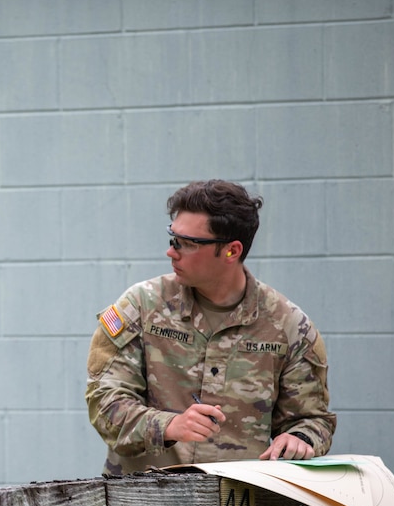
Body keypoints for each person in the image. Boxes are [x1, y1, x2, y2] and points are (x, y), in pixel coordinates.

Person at [86, 179, 336, 475]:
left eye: (187, 244)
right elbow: (104, 403)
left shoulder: (289, 326)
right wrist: (169, 426)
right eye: (172, 238)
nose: (172, 252)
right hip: (141, 502)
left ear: (231, 251)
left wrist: (299, 439)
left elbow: (313, 420)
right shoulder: (141, 307)